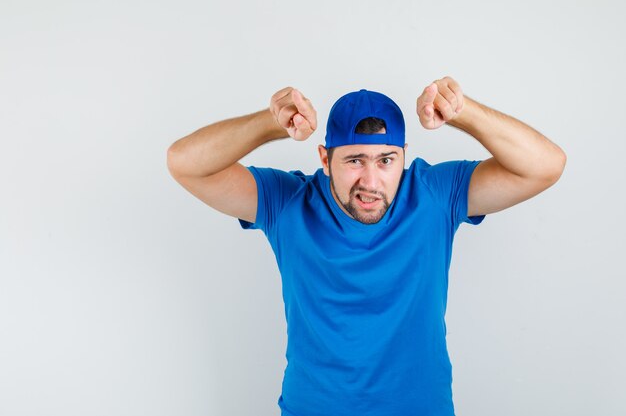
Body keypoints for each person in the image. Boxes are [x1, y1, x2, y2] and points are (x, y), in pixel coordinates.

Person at [167, 76, 566, 416]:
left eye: (386, 160)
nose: (371, 181)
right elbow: (184, 163)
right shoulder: (286, 202)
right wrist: (270, 124)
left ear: (404, 157)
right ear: (325, 159)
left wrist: (463, 112)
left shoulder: (434, 195)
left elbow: (545, 165)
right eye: (355, 160)